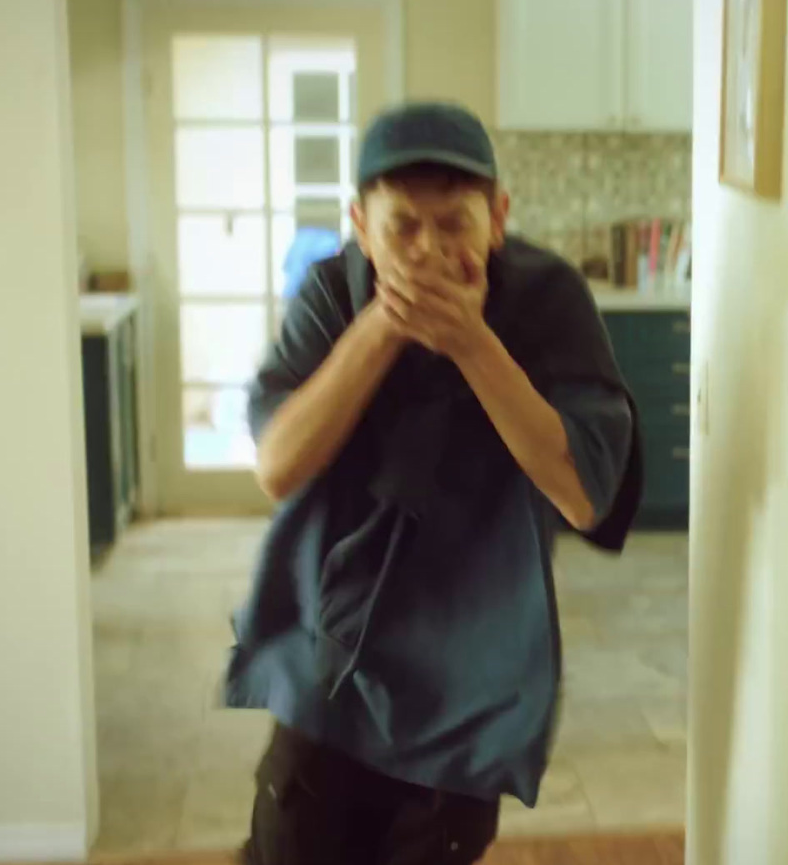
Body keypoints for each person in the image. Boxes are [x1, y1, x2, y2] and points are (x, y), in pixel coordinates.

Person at [223, 101, 642, 865]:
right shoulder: (332, 294)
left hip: (474, 657)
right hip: (335, 645)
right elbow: (278, 466)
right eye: (402, 228)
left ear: (498, 217)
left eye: (454, 224)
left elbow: (584, 493)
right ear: (359, 223)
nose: (428, 251)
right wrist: (384, 325)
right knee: (287, 840)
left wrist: (472, 343)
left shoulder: (548, 302)